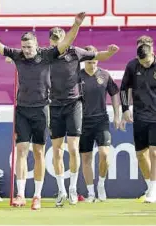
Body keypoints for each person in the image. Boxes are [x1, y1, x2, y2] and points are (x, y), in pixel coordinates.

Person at [0, 12, 86, 210]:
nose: (26, 50)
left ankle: (37, 195)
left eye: (29, 47)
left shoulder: (47, 55)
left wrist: (76, 24)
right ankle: (21, 194)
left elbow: (66, 42)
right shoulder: (17, 56)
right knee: (21, 151)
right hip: (22, 109)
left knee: (39, 152)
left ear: (36, 45)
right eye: (23, 47)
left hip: (42, 109)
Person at [48, 28, 119, 206]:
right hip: (59, 109)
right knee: (62, 151)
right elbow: (30, 57)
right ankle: (72, 191)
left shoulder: (78, 54)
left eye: (59, 39)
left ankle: (83, 187)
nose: (56, 43)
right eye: (54, 40)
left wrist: (109, 53)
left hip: (85, 112)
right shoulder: (48, 55)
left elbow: (98, 57)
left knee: (86, 151)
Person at [120, 36, 156, 203]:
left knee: (155, 152)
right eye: (142, 62)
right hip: (139, 116)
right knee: (140, 154)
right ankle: (150, 186)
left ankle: (153, 191)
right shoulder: (131, 66)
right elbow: (123, 88)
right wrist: (125, 109)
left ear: (153, 53)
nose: (145, 64)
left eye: (147, 62)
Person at [77, 45, 120, 203]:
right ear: (84, 61)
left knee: (104, 154)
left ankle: (101, 184)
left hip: (101, 120)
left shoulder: (105, 75)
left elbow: (115, 93)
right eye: (89, 62)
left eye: (95, 61)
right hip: (82, 122)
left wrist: (117, 115)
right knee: (86, 158)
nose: (93, 64)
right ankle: (91, 192)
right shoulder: (77, 76)